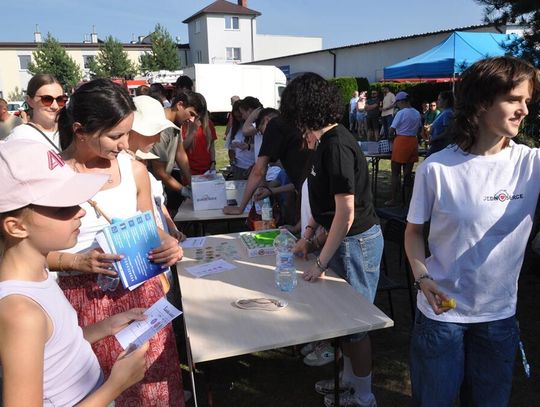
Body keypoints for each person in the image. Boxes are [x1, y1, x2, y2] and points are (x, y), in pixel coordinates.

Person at [405, 56, 540, 407]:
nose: (524, 109)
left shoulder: (531, 164)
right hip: (441, 316)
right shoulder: (436, 168)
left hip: (498, 317)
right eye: (514, 99)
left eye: (527, 100)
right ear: (481, 102)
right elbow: (414, 232)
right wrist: (422, 277)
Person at [52, 79, 185, 406]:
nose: (125, 144)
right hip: (85, 303)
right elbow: (26, 256)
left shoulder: (134, 170)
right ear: (81, 130)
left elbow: (150, 231)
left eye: (127, 132)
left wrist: (169, 245)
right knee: (100, 391)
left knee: (154, 389)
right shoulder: (51, 176)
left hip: (143, 297)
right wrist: (77, 262)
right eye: (115, 136)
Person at [0, 139, 149, 406]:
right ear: (16, 226)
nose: (80, 211)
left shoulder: (39, 275)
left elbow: (53, 351)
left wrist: (104, 327)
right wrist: (116, 386)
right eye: (63, 208)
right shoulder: (21, 312)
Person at [282, 73, 382, 407]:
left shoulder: (336, 145)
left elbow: (346, 213)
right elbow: (322, 203)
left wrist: (321, 262)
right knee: (344, 321)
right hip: (342, 239)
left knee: (356, 323)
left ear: (304, 110)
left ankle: (364, 396)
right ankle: (348, 382)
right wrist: (308, 235)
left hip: (357, 243)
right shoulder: (323, 142)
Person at [149, 90, 204, 217]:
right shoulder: (162, 127)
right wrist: (183, 190)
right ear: (180, 105)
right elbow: (159, 171)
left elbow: (180, 154)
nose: (192, 120)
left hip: (159, 184)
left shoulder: (175, 124)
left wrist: (191, 183)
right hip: (150, 185)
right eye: (191, 114)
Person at [6, 74, 67, 149]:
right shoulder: (20, 136)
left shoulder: (72, 132)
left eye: (60, 99)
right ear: (30, 101)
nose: (55, 106)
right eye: (47, 99)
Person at [386, 91, 421, 206]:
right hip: (413, 141)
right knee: (407, 174)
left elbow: (391, 130)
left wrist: (390, 137)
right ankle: (407, 200)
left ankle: (394, 199)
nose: (397, 105)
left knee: (395, 173)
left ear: (402, 101)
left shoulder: (401, 113)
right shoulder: (417, 113)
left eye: (397, 103)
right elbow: (419, 129)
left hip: (401, 141)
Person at [182, 94, 217, 175]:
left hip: (207, 170)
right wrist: (193, 130)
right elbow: (182, 147)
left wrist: (213, 162)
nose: (197, 115)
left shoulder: (208, 124)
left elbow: (211, 145)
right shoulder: (184, 124)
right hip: (190, 171)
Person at [226, 99, 255, 180]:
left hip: (252, 167)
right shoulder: (234, 129)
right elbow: (230, 149)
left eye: (241, 115)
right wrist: (232, 160)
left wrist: (248, 146)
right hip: (238, 167)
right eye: (236, 117)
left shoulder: (254, 128)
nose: (240, 118)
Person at [426, 91, 454, 156]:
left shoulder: (448, 113)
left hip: (441, 146)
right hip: (437, 145)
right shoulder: (443, 112)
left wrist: (433, 139)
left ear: (446, 101)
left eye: (439, 99)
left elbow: (447, 132)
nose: (437, 101)